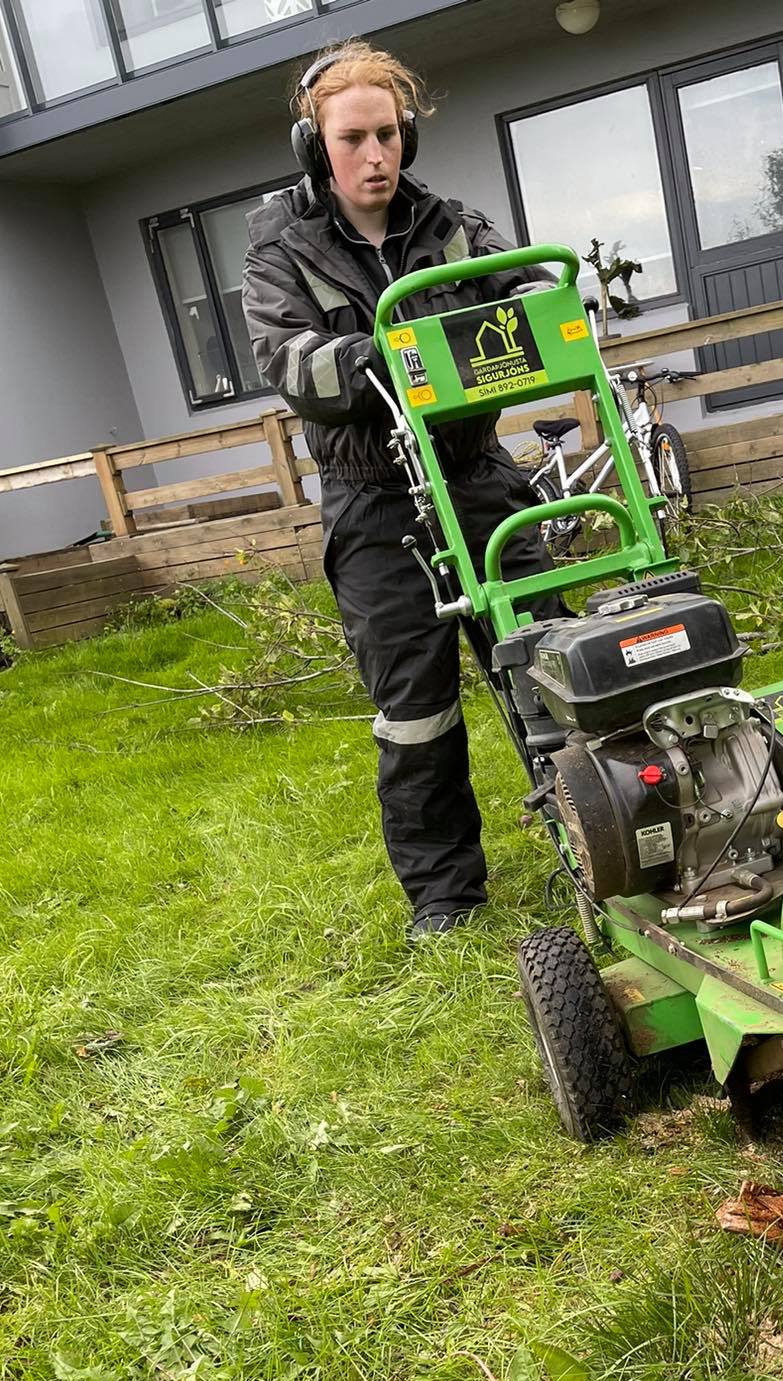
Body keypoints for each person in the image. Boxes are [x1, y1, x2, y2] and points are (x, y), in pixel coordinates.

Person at [242, 40, 563, 941]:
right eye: (353, 139)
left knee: (549, 663)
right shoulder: (280, 252)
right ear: (316, 146)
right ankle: (447, 899)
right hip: (375, 502)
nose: (374, 156)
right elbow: (295, 364)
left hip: (477, 479)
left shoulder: (453, 226)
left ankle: (602, 836)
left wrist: (536, 310)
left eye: (387, 134)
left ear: (407, 136)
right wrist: (403, 352)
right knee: (415, 715)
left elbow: (531, 297)